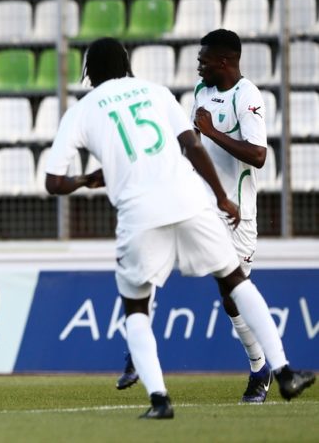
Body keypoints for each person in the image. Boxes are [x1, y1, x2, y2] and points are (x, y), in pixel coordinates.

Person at [45, 37, 314, 419]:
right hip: (191, 198)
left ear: (89, 73)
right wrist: (219, 196)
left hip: (143, 209)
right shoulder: (158, 92)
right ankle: (283, 370)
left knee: (138, 306)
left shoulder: (81, 111)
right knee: (236, 281)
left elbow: (54, 183)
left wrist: (86, 180)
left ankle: (160, 398)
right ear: (126, 64)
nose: (199, 65)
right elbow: (192, 146)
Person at [116, 29, 273, 404]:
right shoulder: (201, 93)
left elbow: (258, 156)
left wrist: (212, 131)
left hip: (236, 213)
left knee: (232, 296)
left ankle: (260, 368)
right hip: (197, 206)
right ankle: (137, 350)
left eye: (204, 60)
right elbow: (190, 145)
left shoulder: (247, 96)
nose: (198, 65)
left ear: (223, 60)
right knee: (150, 260)